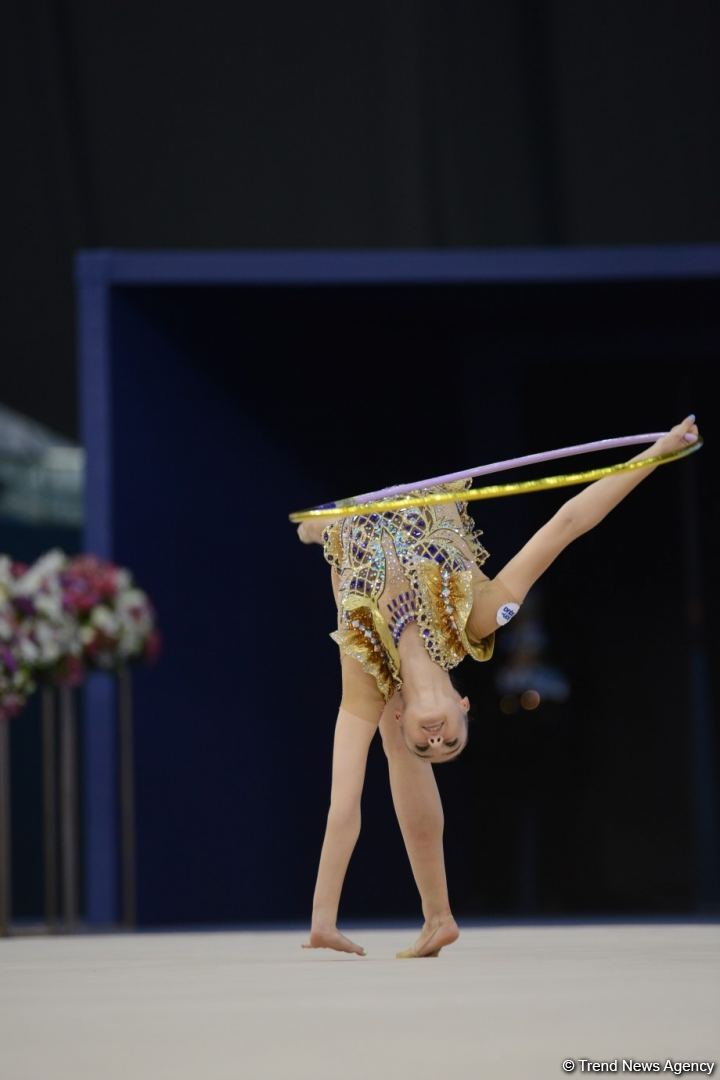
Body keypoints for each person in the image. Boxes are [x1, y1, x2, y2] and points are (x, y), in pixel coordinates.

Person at [296, 416, 699, 958]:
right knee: (401, 760)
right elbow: (568, 522)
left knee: (316, 532)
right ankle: (438, 916)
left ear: (405, 721)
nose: (435, 739)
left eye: (426, 745)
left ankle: (432, 918)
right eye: (450, 743)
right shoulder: (480, 617)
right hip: (423, 493)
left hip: (350, 523)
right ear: (466, 707)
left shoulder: (366, 674)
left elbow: (342, 804)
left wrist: (322, 919)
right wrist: (657, 453)